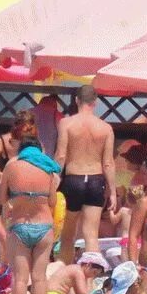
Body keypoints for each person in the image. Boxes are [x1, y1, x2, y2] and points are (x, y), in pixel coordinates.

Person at [0, 128, 58, 294]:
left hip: (20, 225)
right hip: (44, 226)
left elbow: (0, 199)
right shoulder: (48, 169)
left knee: (20, 279)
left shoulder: (12, 167)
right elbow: (52, 201)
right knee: (40, 278)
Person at [52, 83, 115, 258]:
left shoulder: (66, 123)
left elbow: (61, 155)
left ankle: (65, 275)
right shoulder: (105, 128)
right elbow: (108, 163)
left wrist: (54, 178)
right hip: (96, 181)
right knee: (91, 235)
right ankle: (88, 280)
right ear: (95, 102)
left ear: (76, 100)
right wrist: (113, 192)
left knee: (68, 235)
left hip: (74, 180)